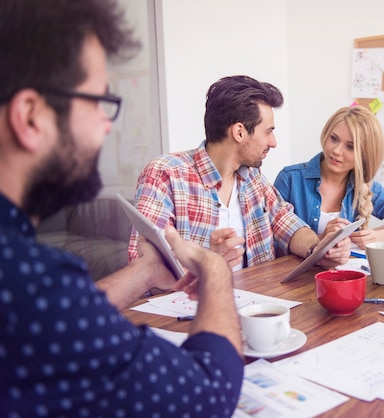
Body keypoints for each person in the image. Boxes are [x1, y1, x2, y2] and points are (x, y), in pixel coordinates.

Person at [0, 1, 244, 416]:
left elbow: (67, 313)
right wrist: (215, 268)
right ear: (30, 116)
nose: (107, 124)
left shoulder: (31, 284)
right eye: (98, 101)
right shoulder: (25, 277)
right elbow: (209, 391)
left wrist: (148, 270)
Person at [128, 75, 350, 270]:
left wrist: (318, 248)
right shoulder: (165, 174)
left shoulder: (253, 178)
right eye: (268, 132)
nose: (273, 142)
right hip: (193, 310)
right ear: (239, 132)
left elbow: (285, 222)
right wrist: (208, 263)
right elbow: (145, 262)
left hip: (256, 304)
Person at [274, 105, 384, 249]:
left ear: (365, 155)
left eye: (350, 147)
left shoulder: (366, 186)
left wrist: (377, 236)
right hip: (296, 277)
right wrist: (321, 238)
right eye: (334, 139)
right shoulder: (290, 179)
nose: (336, 150)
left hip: (343, 276)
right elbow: (273, 241)